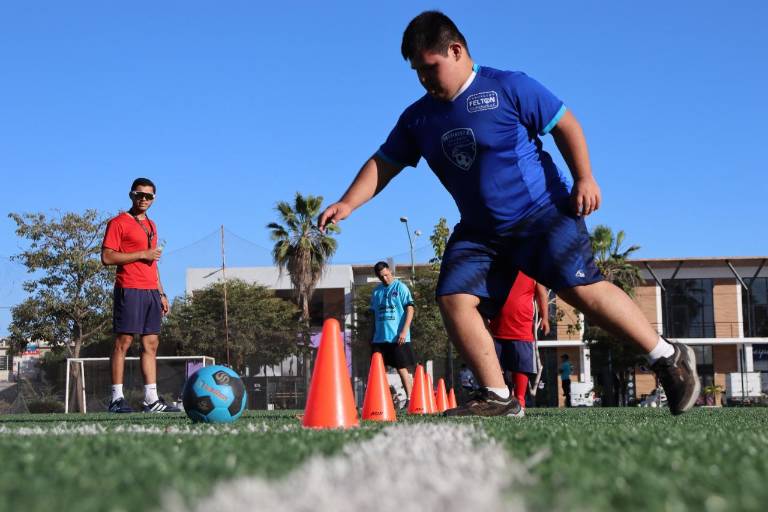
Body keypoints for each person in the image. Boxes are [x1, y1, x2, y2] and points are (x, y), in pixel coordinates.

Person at [318, 11, 699, 417]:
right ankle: (498, 395)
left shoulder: (509, 86)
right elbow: (384, 163)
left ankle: (667, 355)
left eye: (430, 67)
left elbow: (566, 124)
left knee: (580, 291)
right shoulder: (418, 118)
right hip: (481, 231)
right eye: (417, 72)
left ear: (456, 50)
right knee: (453, 298)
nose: (425, 79)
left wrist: (584, 178)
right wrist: (348, 202)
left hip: (542, 213)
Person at [101, 178, 180, 413]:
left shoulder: (152, 225)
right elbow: (107, 257)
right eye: (139, 194)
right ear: (131, 195)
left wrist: (161, 292)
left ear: (154, 198)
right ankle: (116, 399)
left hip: (151, 291)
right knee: (123, 342)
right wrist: (141, 254)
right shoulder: (118, 222)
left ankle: (151, 400)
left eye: (148, 196)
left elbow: (152, 263)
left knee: (151, 343)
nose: (144, 199)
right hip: (129, 287)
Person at [489, 272, 549, 415]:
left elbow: (542, 294)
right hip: (496, 328)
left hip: (521, 328)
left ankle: (520, 400)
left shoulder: (532, 268)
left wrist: (545, 318)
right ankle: (501, 400)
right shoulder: (496, 266)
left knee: (521, 366)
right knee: (496, 367)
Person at [369, 261, 416, 405]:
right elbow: (373, 315)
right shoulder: (376, 292)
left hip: (397, 337)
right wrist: (371, 335)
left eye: (386, 275)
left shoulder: (400, 287)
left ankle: (410, 400)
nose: (385, 278)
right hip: (379, 338)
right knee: (377, 370)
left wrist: (404, 331)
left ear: (390, 271)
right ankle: (381, 401)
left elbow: (410, 309)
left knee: (401, 368)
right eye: (381, 277)